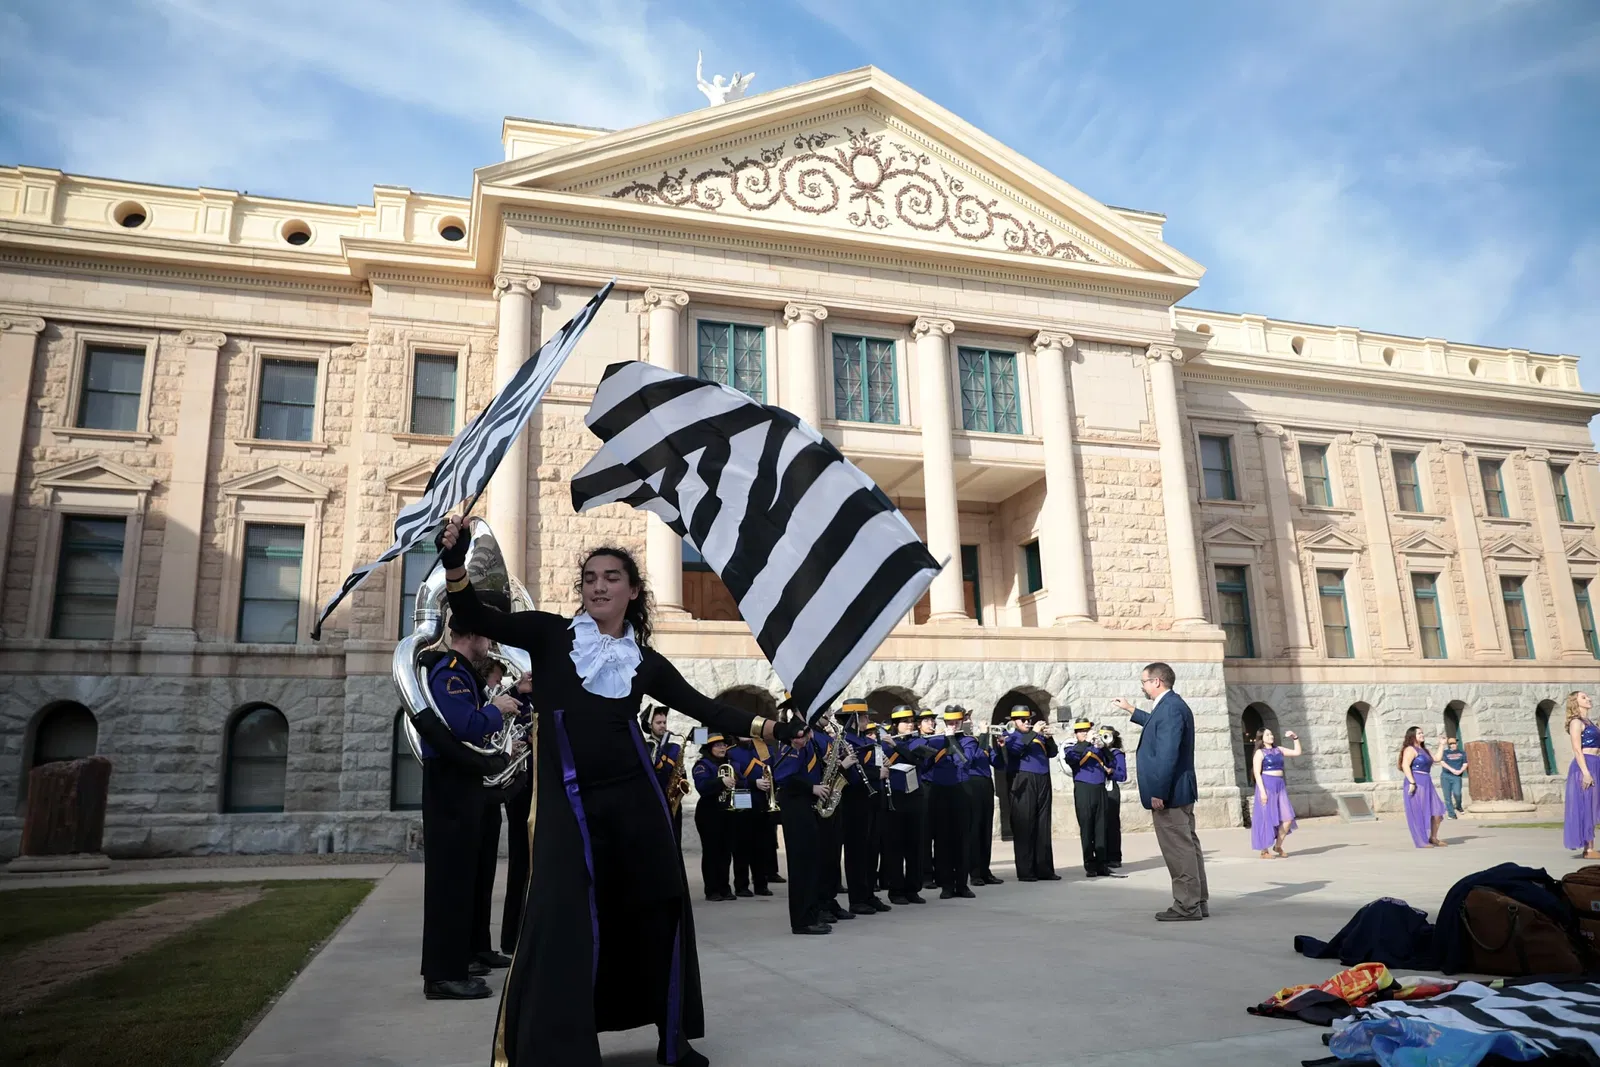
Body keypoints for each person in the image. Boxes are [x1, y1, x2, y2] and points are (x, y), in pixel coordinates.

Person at [436, 519, 800, 1067]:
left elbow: (707, 707)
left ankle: (672, 1034)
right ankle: (564, 1046)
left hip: (635, 802)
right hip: (569, 805)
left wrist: (772, 729)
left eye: (611, 577)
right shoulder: (550, 636)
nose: (598, 586)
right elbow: (473, 617)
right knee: (565, 917)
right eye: (589, 579)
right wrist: (456, 564)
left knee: (658, 908)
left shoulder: (643, 661)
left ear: (633, 591)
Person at [417, 593, 522, 1000]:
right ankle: (443, 975)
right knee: (449, 882)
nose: (491, 644)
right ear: (473, 634)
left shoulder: (464, 674)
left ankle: (459, 963)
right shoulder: (451, 674)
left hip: (463, 783)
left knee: (464, 880)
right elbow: (466, 724)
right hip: (450, 784)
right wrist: (495, 710)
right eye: (487, 635)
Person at [1114, 662, 1208, 922]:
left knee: (1179, 850)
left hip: (1171, 793)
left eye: (1143, 682)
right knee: (1188, 847)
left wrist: (1159, 791)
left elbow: (1168, 754)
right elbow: (1157, 726)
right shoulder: (1170, 707)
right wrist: (1131, 709)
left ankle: (1187, 906)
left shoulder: (1170, 709)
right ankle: (1198, 901)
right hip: (1179, 790)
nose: (1142, 686)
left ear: (1157, 682)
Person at [492, 663, 536, 962]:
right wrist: (517, 689)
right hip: (522, 790)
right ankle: (512, 939)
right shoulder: (518, 696)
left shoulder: (555, 698)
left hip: (549, 789)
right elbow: (500, 726)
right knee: (520, 866)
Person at [773, 720, 832, 935]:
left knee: (811, 864)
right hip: (795, 809)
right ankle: (802, 920)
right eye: (799, 736)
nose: (803, 739)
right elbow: (784, 778)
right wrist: (812, 787)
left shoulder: (805, 748)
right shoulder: (791, 750)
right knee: (802, 865)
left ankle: (812, 914)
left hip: (805, 807)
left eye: (804, 735)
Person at [838, 700, 890, 915]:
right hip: (854, 801)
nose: (868, 720)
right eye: (865, 716)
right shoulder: (843, 741)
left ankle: (869, 893)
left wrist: (883, 765)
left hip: (872, 798)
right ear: (855, 718)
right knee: (857, 850)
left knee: (872, 848)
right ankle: (857, 898)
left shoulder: (863, 740)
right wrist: (876, 773)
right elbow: (850, 774)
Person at [923, 707, 976, 899]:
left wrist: (952, 739)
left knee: (962, 840)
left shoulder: (969, 740)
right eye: (949, 723)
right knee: (942, 840)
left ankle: (962, 884)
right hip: (939, 791)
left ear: (961, 722)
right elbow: (925, 765)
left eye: (956, 722)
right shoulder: (936, 741)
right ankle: (946, 885)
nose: (952, 726)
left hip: (961, 790)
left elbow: (964, 761)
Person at [1063, 718, 1125, 878]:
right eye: (1082, 731)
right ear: (1076, 734)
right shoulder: (1072, 747)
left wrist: (1103, 747)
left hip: (1100, 789)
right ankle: (1090, 865)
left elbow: (1111, 762)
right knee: (1087, 827)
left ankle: (1102, 864)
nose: (1085, 733)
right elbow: (1072, 760)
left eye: (1087, 730)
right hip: (1084, 789)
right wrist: (1086, 743)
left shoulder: (1097, 747)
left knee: (1101, 827)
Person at [1003, 706, 1059, 882]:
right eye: (1023, 720)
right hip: (1022, 779)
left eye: (1029, 719)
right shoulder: (1010, 735)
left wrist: (1049, 738)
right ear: (1014, 721)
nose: (1027, 722)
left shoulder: (1037, 736)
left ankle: (1044, 869)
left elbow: (1053, 753)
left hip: (1042, 779)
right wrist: (1033, 733)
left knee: (1043, 824)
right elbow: (1015, 750)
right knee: (1025, 824)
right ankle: (1026, 870)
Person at [881, 706, 929, 905]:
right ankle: (896, 889)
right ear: (895, 725)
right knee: (895, 846)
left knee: (915, 845)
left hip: (914, 796)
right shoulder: (883, 744)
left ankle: (913, 888)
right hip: (895, 797)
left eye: (911, 720)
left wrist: (896, 746)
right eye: (904, 721)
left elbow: (917, 760)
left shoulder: (918, 741)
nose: (909, 723)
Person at [692, 734, 738, 901]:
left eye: (723, 745)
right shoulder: (702, 765)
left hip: (727, 811)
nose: (722, 748)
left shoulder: (731, 764)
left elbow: (741, 782)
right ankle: (711, 890)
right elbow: (702, 786)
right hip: (709, 812)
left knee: (726, 852)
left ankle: (725, 887)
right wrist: (721, 781)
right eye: (717, 745)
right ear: (709, 748)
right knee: (712, 852)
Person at [727, 735, 774, 897]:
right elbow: (733, 777)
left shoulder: (763, 749)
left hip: (762, 802)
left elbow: (773, 769)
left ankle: (761, 884)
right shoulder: (731, 752)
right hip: (742, 802)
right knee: (741, 847)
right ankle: (741, 885)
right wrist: (754, 783)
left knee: (761, 847)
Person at [963, 708, 1002, 886]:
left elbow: (997, 762)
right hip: (971, 784)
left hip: (986, 783)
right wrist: (985, 737)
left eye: (970, 718)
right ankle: (975, 872)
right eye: (966, 718)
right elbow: (972, 758)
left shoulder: (980, 741)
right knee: (974, 829)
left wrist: (1001, 747)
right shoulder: (963, 741)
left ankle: (985, 870)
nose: (970, 721)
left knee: (985, 830)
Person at [1249, 727, 1300, 859]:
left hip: (1279, 785)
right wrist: (1262, 792)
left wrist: (1295, 738)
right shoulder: (1260, 753)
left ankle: (1278, 845)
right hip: (1267, 784)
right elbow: (1256, 773)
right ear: (1261, 738)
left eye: (1271, 734)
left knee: (1287, 818)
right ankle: (1264, 851)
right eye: (1267, 734)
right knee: (1266, 817)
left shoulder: (1279, 750)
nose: (1271, 736)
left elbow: (1297, 752)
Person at [1399, 726, 1448, 849]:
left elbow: (1437, 758)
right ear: (1412, 736)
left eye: (1422, 732)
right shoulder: (1410, 749)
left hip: (1427, 782)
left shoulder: (1424, 750)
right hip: (1416, 781)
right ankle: (1421, 840)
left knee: (1436, 811)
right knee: (1419, 812)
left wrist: (1442, 745)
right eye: (1419, 733)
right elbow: (1405, 765)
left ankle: (1433, 837)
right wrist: (1412, 782)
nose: (1422, 735)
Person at [1565, 691, 1600, 859]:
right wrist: (1586, 773)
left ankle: (1590, 847)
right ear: (1575, 702)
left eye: (1588, 697)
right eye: (1583, 698)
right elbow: (1577, 749)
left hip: (1596, 763)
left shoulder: (1590, 722)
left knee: (1594, 804)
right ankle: (1589, 849)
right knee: (1587, 804)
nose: (1589, 699)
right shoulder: (1576, 722)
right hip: (1584, 765)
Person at [644, 706, 686, 844]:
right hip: (655, 803)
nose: (663, 726)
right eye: (658, 723)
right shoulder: (646, 746)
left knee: (675, 842)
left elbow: (681, 772)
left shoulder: (674, 747)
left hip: (673, 802)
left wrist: (680, 785)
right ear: (650, 725)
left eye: (664, 722)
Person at [1439, 736, 1468, 820]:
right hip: (1446, 776)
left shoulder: (1462, 753)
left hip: (1457, 776)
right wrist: (1452, 770)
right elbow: (1442, 762)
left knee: (1457, 793)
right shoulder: (1445, 753)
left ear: (1457, 743)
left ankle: (1458, 806)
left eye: (1454, 743)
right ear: (1449, 745)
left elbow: (1465, 764)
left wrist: (1460, 771)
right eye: (1451, 744)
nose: (1453, 745)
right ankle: (1451, 814)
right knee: (1447, 797)